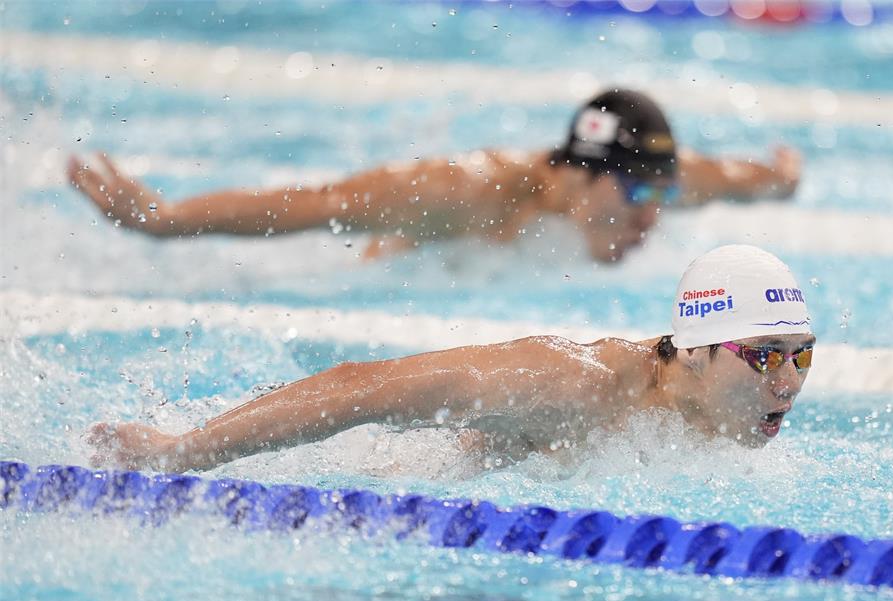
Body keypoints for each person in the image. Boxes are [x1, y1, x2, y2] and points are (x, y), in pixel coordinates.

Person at [88, 244, 815, 473]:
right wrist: (180, 452)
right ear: (690, 350)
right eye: (763, 357)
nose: (787, 383)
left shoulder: (715, 419)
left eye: (801, 357)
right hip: (361, 470)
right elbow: (362, 387)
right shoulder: (572, 386)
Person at [68, 89, 802, 263]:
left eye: (663, 195)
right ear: (580, 176)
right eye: (639, 195)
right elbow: (312, 204)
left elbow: (748, 179)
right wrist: (165, 221)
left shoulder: (670, 183)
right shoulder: (469, 190)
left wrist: (782, 177)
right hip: (404, 268)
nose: (654, 218)